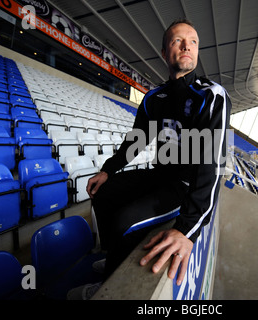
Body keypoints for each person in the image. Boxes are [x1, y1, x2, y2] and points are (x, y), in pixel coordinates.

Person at [69, 18, 231, 300]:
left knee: (125, 221)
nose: (187, 46)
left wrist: (188, 228)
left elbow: (213, 164)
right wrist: (108, 170)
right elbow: (136, 140)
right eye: (178, 41)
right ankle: (112, 260)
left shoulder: (212, 95)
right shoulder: (154, 97)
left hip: (183, 186)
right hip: (159, 175)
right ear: (165, 52)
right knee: (104, 192)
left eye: (193, 41)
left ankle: (106, 287)